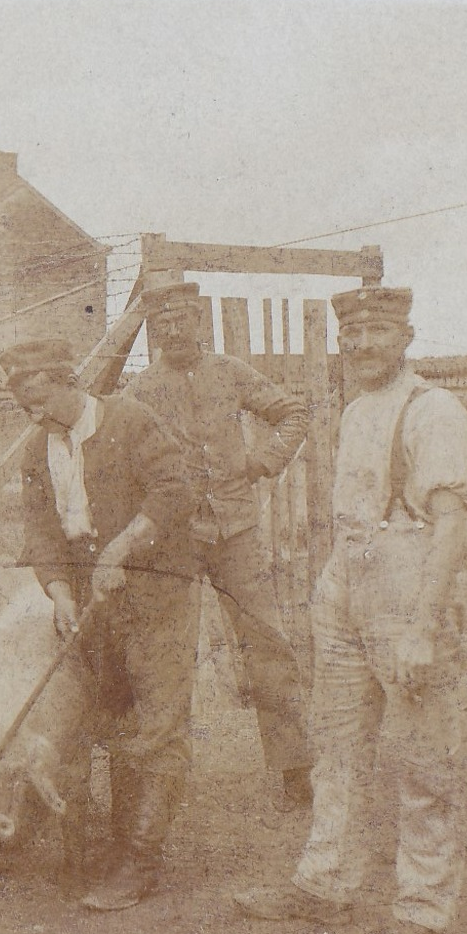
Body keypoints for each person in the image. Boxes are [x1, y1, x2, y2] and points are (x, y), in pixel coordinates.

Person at [233, 286, 467, 934]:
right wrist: (332, 592)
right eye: (352, 334)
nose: (363, 345)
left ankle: (422, 907)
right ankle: (324, 882)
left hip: (409, 589)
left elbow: (449, 525)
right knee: (335, 747)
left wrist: (423, 625)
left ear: (405, 335)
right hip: (346, 586)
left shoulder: (434, 410)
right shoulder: (353, 410)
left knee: (422, 756)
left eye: (377, 331)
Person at [0, 338, 201, 912]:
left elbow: (174, 491)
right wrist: (60, 594)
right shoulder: (37, 450)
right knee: (111, 719)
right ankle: (115, 846)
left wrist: (124, 546)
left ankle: (140, 861)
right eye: (24, 407)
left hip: (157, 591)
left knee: (157, 726)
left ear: (68, 380)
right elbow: (40, 531)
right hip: (92, 599)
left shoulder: (130, 419)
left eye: (39, 400)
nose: (34, 415)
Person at [125, 282, 314, 813]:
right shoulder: (140, 390)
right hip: (176, 540)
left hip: (236, 532)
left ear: (199, 321)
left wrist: (261, 462)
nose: (173, 331)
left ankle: (295, 768)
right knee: (166, 656)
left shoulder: (230, 372)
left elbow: (293, 413)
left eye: (182, 319)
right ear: (154, 332)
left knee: (267, 645)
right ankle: (164, 786)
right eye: (162, 324)